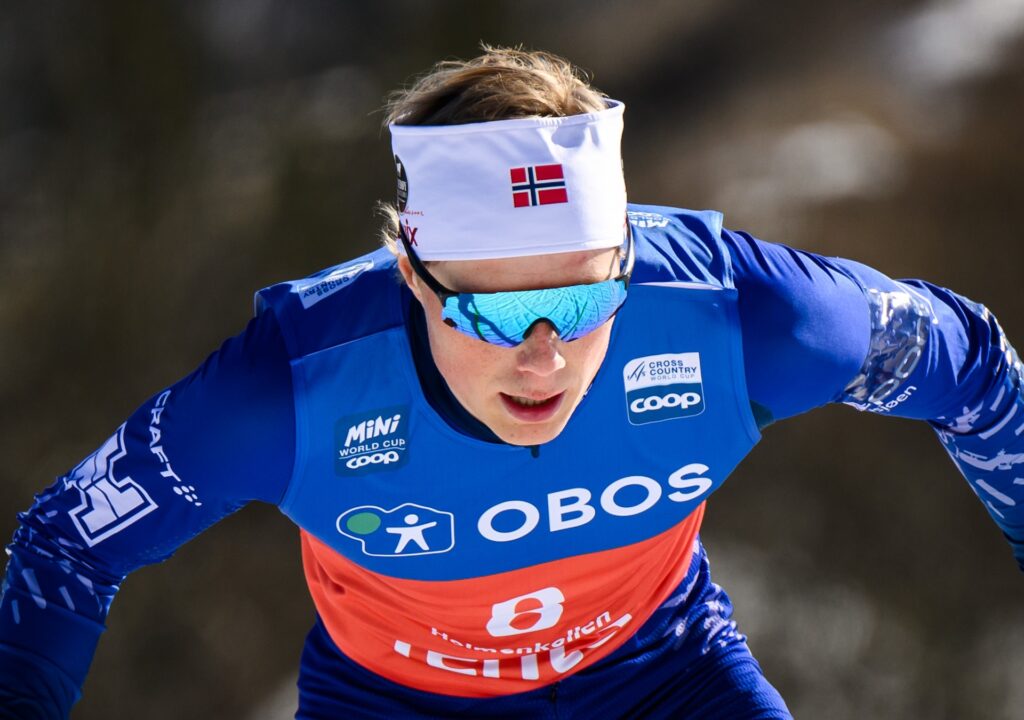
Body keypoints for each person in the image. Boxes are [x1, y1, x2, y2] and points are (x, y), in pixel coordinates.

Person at [1, 46, 1022, 720]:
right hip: (394, 701)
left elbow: (972, 369)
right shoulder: (294, 387)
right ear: (410, 271)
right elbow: (67, 550)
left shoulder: (744, 318)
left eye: (583, 306)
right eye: (489, 315)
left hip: (663, 678)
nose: (544, 358)